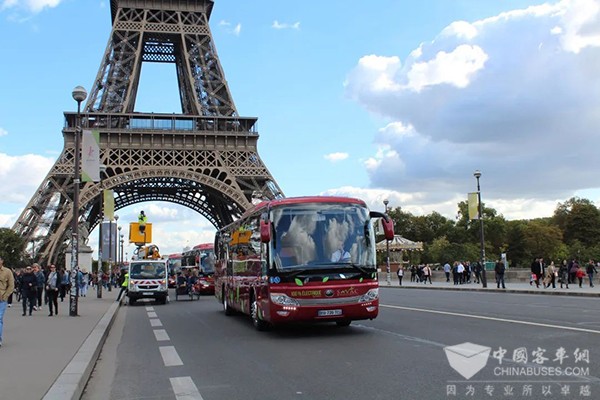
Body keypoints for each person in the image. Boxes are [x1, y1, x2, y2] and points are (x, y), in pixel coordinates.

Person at [0, 257, 15, 347]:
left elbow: (11, 285)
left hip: (1, 299)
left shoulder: (7, 271)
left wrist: (5, 296)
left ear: (2, 261)